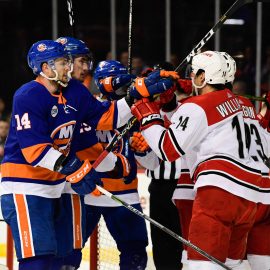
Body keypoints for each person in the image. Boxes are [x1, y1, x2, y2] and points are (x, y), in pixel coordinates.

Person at [0, 39, 172, 270]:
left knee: (63, 257)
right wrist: (77, 170)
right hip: (25, 186)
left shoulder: (75, 91)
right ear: (45, 68)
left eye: (68, 62)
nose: (68, 68)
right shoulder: (28, 95)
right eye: (62, 63)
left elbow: (106, 117)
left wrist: (134, 96)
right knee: (38, 260)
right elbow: (35, 151)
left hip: (57, 187)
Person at [131, 50, 262, 270]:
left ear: (204, 77)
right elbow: (200, 128)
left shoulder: (198, 105)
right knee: (232, 264)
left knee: (202, 265)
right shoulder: (245, 104)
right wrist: (173, 104)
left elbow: (168, 149)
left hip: (218, 194)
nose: (191, 76)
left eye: (194, 73)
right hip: (249, 198)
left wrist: (147, 114)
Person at [84, 60, 161, 270]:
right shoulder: (86, 107)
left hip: (124, 195)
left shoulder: (139, 111)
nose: (120, 86)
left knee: (135, 254)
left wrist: (143, 151)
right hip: (86, 193)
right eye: (116, 81)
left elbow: (152, 164)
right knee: (68, 254)